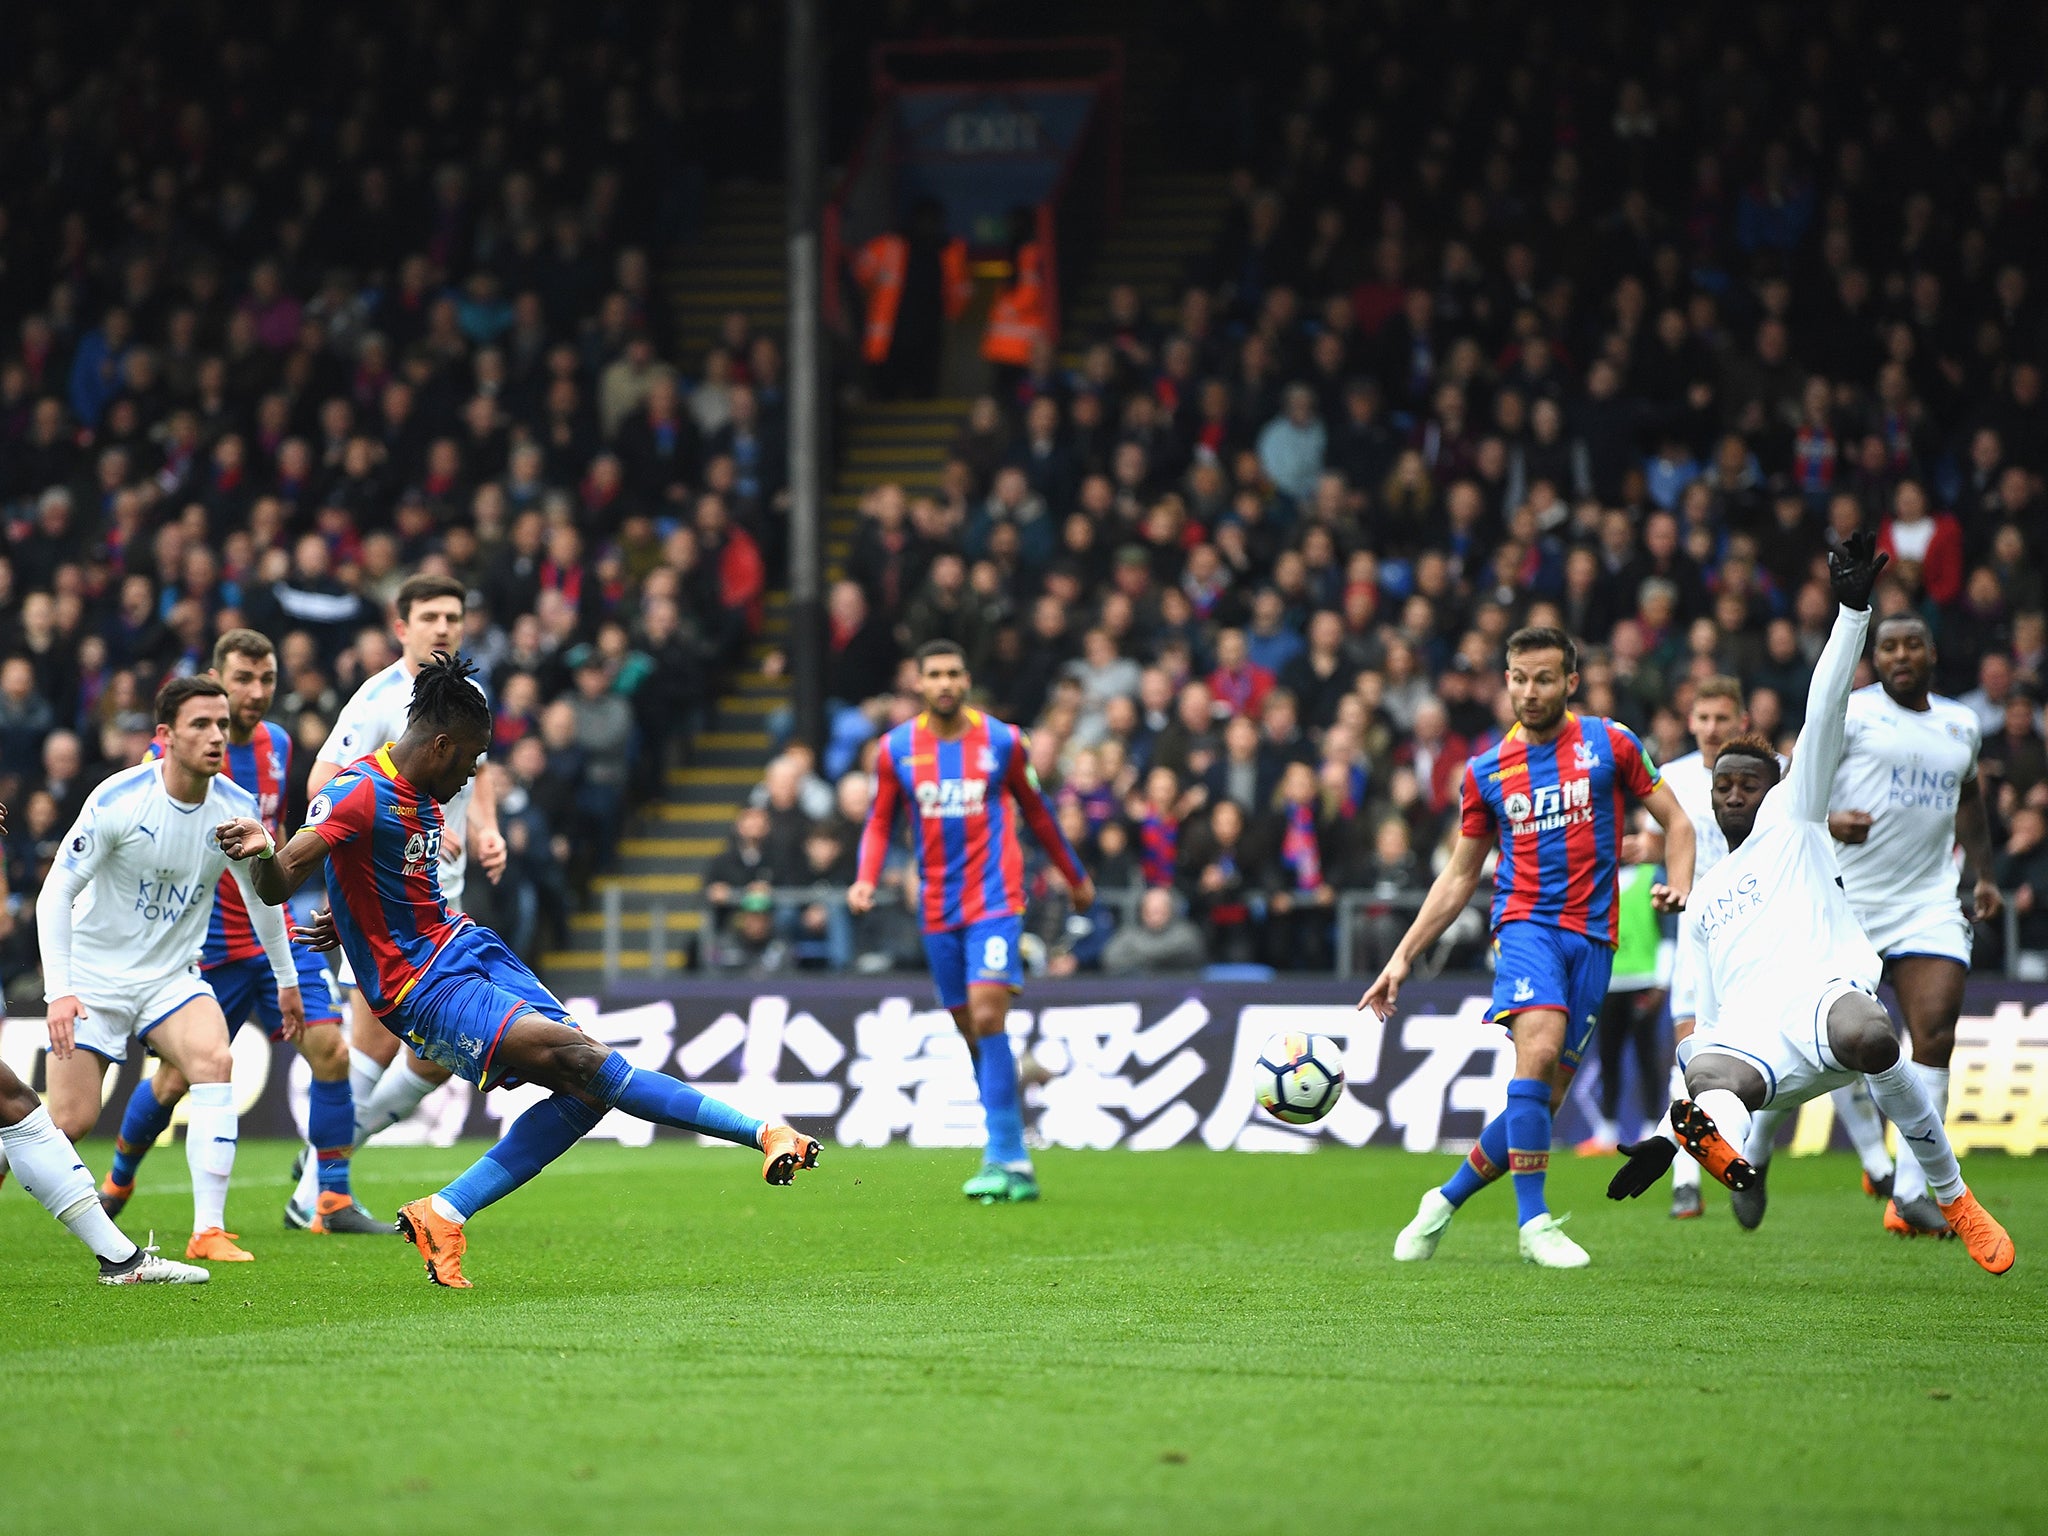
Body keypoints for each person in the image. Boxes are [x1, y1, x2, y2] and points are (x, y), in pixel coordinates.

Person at [217, 654, 820, 1289]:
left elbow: (387, 877)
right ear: (441, 743)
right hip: (421, 988)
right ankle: (762, 1131)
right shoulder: (359, 790)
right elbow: (282, 880)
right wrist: (263, 852)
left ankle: (443, 1212)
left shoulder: (422, 791)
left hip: (468, 947)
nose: (476, 774)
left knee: (589, 1087)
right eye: (472, 759)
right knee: (590, 1067)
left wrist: (352, 917)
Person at [1607, 534, 2014, 1277]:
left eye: (1747, 784)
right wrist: (1671, 1136)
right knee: (1706, 1078)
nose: (1733, 794)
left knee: (1874, 1031)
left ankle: (1950, 1195)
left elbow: (1824, 703)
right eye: (1722, 786)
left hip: (1824, 1005)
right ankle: (1726, 1155)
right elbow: (1702, 1016)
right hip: (1756, 1046)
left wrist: (1852, 610)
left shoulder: (1795, 822)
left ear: (1779, 787)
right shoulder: (1701, 903)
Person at [1362, 625, 1696, 1268]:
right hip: (1525, 928)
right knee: (1537, 1049)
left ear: (1570, 682)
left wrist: (1677, 884)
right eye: (1519, 678)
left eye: (1545, 678)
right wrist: (1402, 955)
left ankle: (1443, 1200)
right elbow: (1461, 874)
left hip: (1594, 942)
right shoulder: (1486, 771)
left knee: (1540, 1099)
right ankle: (1534, 1222)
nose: (1531, 690)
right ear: (1506, 681)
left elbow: (1677, 822)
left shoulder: (1611, 743)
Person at [98, 631, 386, 1234]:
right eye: (243, 680)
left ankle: (329, 1200)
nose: (256, 693)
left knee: (331, 1051)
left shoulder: (279, 744)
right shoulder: (178, 757)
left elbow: (277, 838)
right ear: (216, 680)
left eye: (267, 680)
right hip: (207, 948)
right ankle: (120, 1176)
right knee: (175, 1079)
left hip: (273, 931)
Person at [1739, 610, 2001, 1236]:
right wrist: (1829, 823)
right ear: (1875, 658)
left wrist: (1984, 874)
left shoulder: (1962, 725)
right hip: (1842, 904)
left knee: (1933, 1032)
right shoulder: (1852, 711)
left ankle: (1911, 1193)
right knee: (1820, 1048)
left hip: (1928, 903)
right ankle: (1756, 1150)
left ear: (1932, 653)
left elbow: (1969, 799)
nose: (1901, 655)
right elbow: (1797, 790)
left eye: (1913, 644)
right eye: (1889, 647)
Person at [37, 676, 302, 1263]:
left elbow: (263, 900)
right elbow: (55, 892)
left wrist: (286, 979)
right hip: (94, 981)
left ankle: (208, 1231)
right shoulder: (119, 799)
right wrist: (59, 992)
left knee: (215, 1060)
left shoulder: (236, 809)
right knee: (68, 1123)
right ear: (165, 735)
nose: (216, 737)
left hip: (171, 979)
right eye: (201, 725)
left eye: (223, 726)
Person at [848, 640, 1095, 1204]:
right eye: (933, 674)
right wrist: (866, 876)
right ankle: (1015, 1134)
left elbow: (1038, 812)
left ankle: (1003, 1154)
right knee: (975, 1033)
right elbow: (879, 821)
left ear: (966, 680)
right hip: (936, 905)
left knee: (986, 1014)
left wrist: (1074, 875)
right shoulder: (896, 750)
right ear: (918, 682)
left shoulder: (1003, 741)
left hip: (995, 898)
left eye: (953, 673)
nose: (944, 683)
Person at [300, 574, 508, 1217]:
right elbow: (325, 783)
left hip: (443, 905)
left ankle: (325, 1156)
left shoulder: (466, 694)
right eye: (430, 617)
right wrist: (403, 824)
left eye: (453, 615)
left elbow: (478, 775)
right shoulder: (378, 700)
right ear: (401, 627)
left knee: (440, 1059)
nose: (443, 627)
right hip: (384, 904)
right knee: (375, 1044)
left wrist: (485, 826)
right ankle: (317, 1194)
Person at [1657, 676, 1893, 1218]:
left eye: (1722, 718)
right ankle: (1686, 1184)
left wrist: (1831, 824)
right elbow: (1664, 836)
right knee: (1700, 1049)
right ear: (1689, 723)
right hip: (1707, 927)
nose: (1711, 728)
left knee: (1822, 1049)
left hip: (1778, 934)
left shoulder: (1776, 776)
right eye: (1703, 718)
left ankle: (1868, 1166)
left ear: (1741, 721)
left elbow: (1800, 818)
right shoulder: (1672, 780)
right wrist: (1667, 877)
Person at [1576, 809, 1669, 1156]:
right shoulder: (1598, 880)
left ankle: (1649, 1125)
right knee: (1608, 1056)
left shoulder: (1652, 876)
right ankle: (1607, 1129)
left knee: (1646, 1056)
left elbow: (1667, 932)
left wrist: (1662, 980)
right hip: (1609, 982)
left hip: (1644, 980)